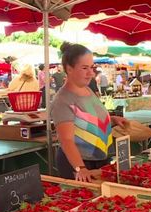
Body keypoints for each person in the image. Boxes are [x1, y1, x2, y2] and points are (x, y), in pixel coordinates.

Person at [51, 42, 129, 182]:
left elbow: (86, 119)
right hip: (79, 164)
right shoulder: (63, 100)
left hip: (99, 160)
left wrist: (112, 120)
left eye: (91, 67)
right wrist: (80, 169)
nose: (91, 73)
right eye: (84, 68)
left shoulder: (87, 90)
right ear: (69, 69)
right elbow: (66, 140)